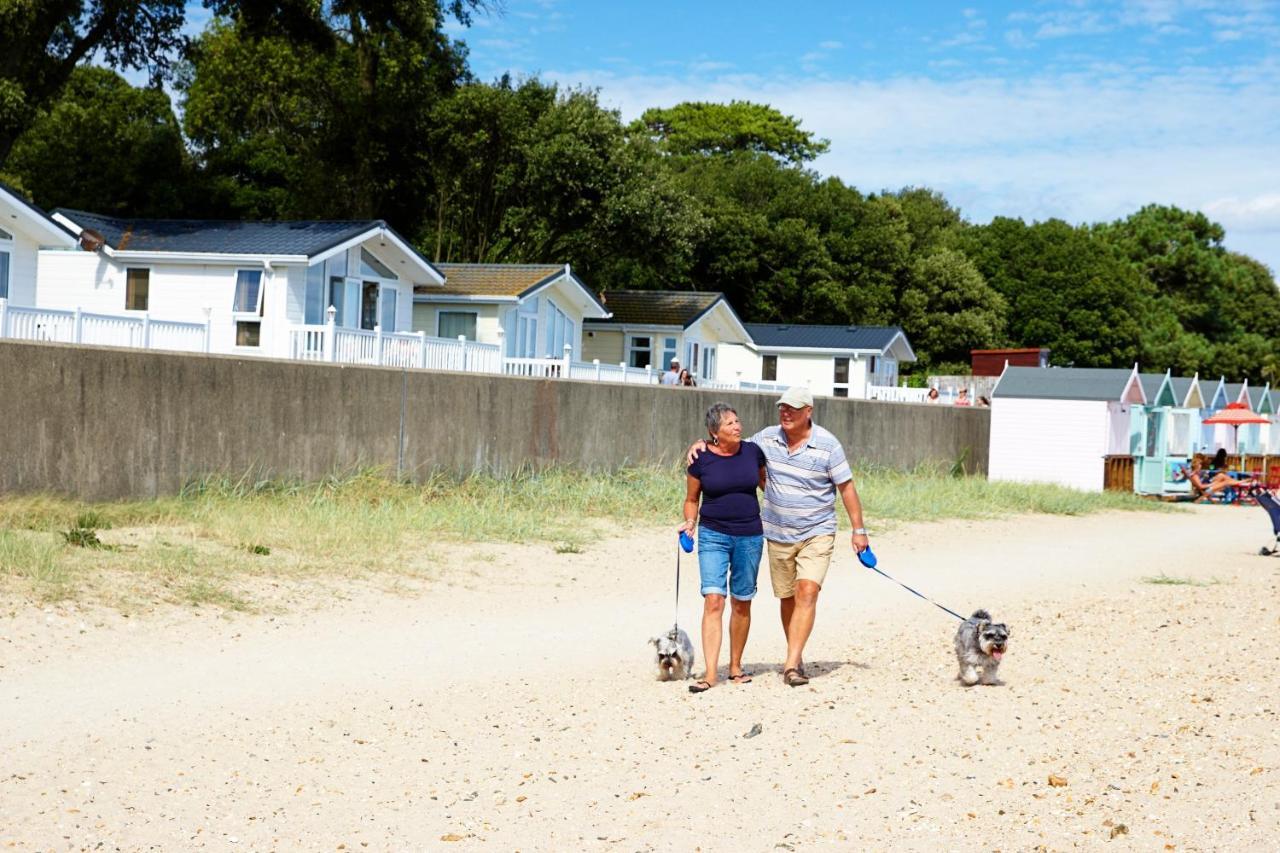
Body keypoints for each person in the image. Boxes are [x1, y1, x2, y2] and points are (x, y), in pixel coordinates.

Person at [688, 386, 870, 687]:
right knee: (787, 598)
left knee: (807, 591)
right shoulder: (765, 439)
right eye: (782, 407)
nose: (785, 413)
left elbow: (847, 488)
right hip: (777, 533)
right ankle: (794, 656)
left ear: (808, 412)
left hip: (817, 530)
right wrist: (701, 442)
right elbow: (730, 447)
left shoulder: (828, 445)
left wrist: (859, 530)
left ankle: (790, 666)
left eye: (793, 408)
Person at [679, 403, 767, 694]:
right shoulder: (700, 458)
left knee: (742, 601)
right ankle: (710, 673)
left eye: (738, 420)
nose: (737, 426)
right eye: (729, 423)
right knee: (713, 600)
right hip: (713, 534)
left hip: (750, 536)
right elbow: (692, 498)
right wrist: (690, 521)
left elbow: (769, 486)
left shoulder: (753, 452)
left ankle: (736, 667)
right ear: (714, 432)